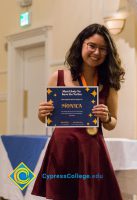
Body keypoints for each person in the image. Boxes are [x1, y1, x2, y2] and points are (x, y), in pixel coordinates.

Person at [31, 23, 125, 200]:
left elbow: (113, 123)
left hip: (91, 150)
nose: (97, 52)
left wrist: (106, 117)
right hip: (62, 148)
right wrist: (42, 113)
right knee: (61, 195)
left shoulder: (109, 83)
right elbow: (46, 118)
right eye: (92, 46)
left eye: (103, 49)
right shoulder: (57, 76)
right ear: (81, 44)